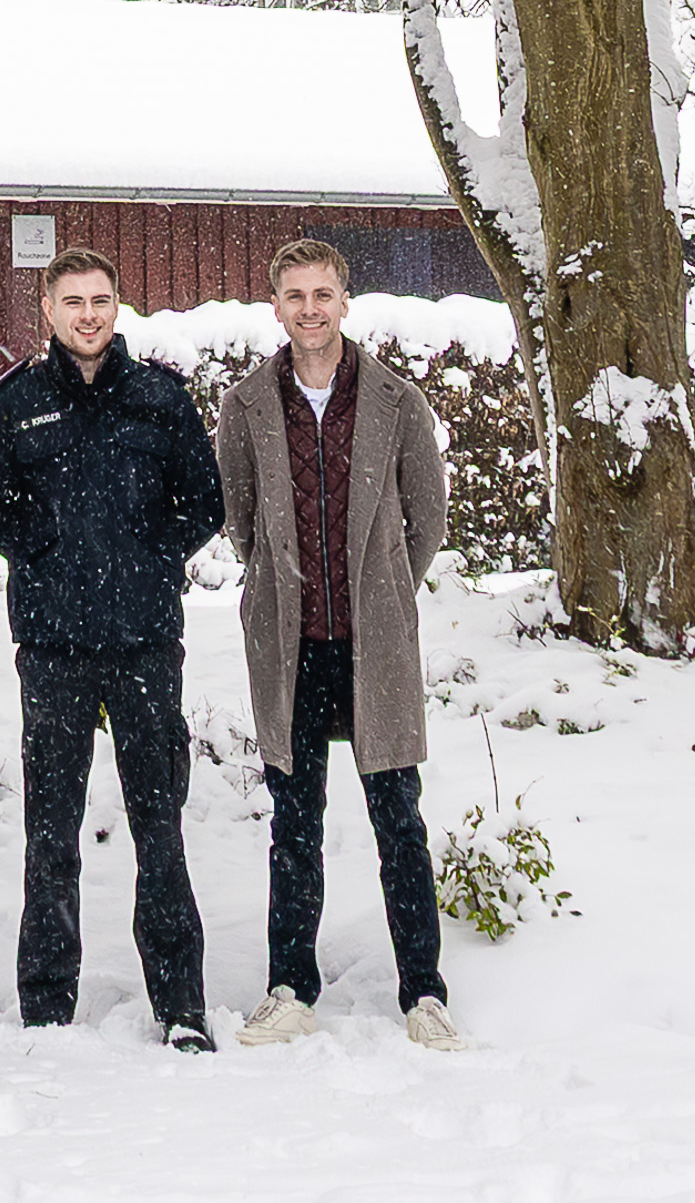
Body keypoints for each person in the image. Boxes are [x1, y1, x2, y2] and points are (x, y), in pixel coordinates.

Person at [0, 246, 223, 1053]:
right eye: (73, 301)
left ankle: (181, 1006)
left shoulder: (159, 397)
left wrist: (152, 554)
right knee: (52, 833)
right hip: (53, 648)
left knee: (161, 828)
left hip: (145, 643)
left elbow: (205, 501)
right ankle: (47, 1006)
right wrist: (43, 549)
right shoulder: (17, 402)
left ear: (118, 307)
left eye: (100, 300)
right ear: (47, 309)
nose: (88, 315)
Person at [219, 238, 462, 1052]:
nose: (310, 309)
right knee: (294, 826)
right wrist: (284, 590)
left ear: (345, 301)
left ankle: (424, 994)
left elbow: (426, 520)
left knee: (399, 823)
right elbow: (242, 522)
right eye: (295, 296)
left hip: (374, 647)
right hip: (291, 646)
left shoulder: (396, 400)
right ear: (276, 307)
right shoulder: (248, 405)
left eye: (322, 294)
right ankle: (290, 989)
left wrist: (381, 590)